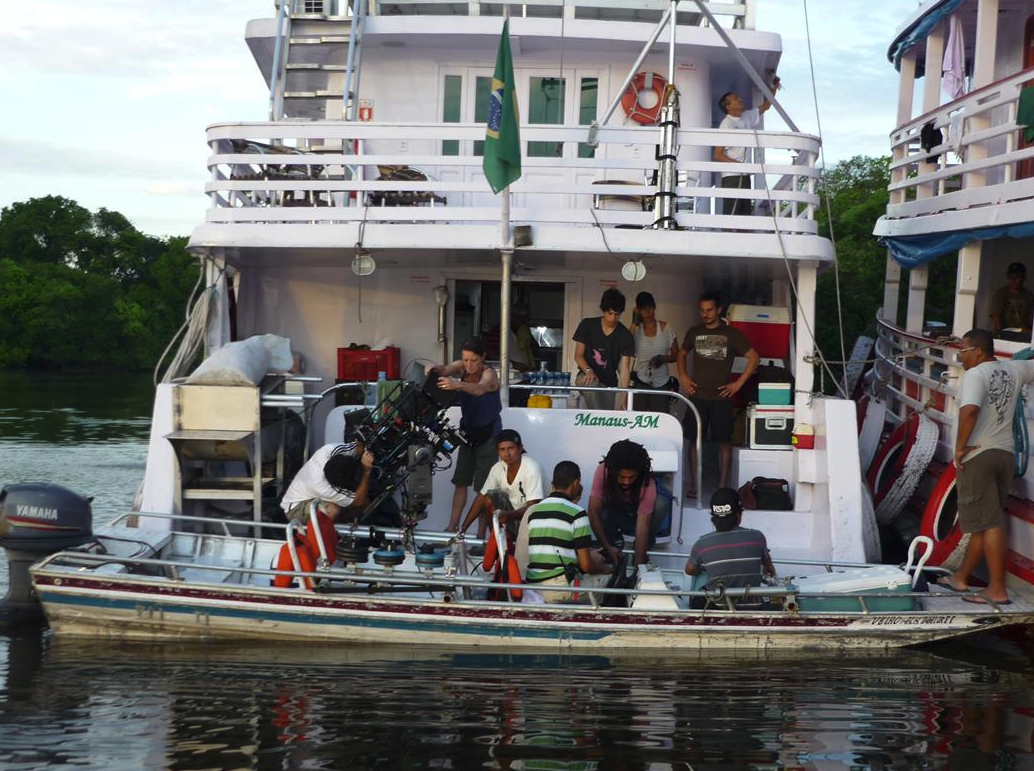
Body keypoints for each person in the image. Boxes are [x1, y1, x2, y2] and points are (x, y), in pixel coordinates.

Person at [941, 328, 1034, 605]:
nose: (960, 357)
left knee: (989, 522)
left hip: (979, 455)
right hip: (1004, 455)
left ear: (978, 351)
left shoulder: (975, 375)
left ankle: (996, 589)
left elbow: (970, 410)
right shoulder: (1014, 369)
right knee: (983, 521)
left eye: (964, 351)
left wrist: (959, 448)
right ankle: (961, 578)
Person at [677, 292, 760, 494]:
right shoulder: (693, 332)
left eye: (709, 310)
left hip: (722, 397)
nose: (705, 314)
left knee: (725, 442)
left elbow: (754, 358)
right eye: (702, 310)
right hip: (697, 396)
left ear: (719, 310)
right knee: (694, 441)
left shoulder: (732, 334)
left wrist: (738, 384)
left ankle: (722, 486)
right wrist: (684, 377)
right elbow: (681, 354)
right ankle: (695, 486)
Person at [426, 338, 502, 531]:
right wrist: (432, 368)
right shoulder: (461, 367)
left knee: (483, 489)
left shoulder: (489, 373)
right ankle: (452, 527)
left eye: (474, 360)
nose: (469, 364)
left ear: (483, 357)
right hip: (468, 433)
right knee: (461, 482)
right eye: (466, 360)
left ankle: (480, 535)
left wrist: (457, 385)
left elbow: (479, 389)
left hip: (489, 435)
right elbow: (443, 370)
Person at [522, 460, 612, 603]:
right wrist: (605, 569)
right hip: (560, 589)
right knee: (611, 579)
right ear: (576, 483)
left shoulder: (535, 511)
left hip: (533, 587)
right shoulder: (577, 513)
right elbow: (586, 566)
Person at [458, 429, 545, 547]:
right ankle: (496, 543)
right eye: (502, 449)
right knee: (490, 496)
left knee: (493, 499)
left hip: (534, 526)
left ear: (520, 448)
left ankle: (503, 545)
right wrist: (463, 528)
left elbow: (533, 509)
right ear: (497, 451)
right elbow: (482, 497)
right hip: (510, 519)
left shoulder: (532, 469)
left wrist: (508, 516)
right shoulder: (497, 468)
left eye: (511, 448)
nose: (507, 454)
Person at [684, 487, 775, 591]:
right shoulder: (757, 537)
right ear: (738, 516)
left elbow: (689, 570)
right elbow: (767, 562)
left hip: (717, 605)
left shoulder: (702, 544)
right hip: (751, 604)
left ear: (713, 519)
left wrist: (702, 568)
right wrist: (768, 565)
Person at [586, 440, 661, 567]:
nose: (626, 482)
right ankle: (613, 545)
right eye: (621, 477)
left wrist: (638, 565)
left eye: (631, 477)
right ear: (612, 470)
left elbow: (642, 529)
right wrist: (607, 547)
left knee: (660, 505)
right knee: (603, 514)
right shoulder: (603, 470)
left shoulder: (648, 483)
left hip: (636, 515)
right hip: (613, 511)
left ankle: (644, 549)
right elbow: (593, 512)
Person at [714, 79, 777, 217]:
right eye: (736, 99)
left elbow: (766, 106)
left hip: (745, 174)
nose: (740, 99)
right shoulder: (726, 124)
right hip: (731, 176)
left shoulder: (746, 117)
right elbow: (718, 154)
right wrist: (740, 166)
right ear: (729, 106)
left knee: (744, 214)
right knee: (731, 214)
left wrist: (773, 88)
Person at [280, 443, 375, 525]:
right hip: (295, 508)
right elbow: (358, 502)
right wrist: (366, 471)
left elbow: (357, 446)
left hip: (313, 495)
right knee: (333, 510)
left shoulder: (328, 450)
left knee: (364, 502)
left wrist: (365, 448)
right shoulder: (324, 488)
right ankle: (334, 533)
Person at [573, 287, 635, 410]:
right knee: (592, 385)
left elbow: (624, 369)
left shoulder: (625, 335)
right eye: (610, 313)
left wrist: (625, 396)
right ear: (603, 310)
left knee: (606, 418)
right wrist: (589, 371)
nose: (613, 318)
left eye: (617, 314)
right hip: (585, 375)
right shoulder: (587, 325)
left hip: (609, 384)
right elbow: (578, 355)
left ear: (621, 312)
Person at [629, 291, 679, 413]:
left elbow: (676, 355)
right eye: (643, 309)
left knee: (660, 418)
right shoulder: (636, 329)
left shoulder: (666, 328)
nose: (647, 312)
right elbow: (627, 348)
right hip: (641, 380)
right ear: (639, 310)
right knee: (637, 418)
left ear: (654, 307)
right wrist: (634, 320)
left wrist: (663, 359)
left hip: (661, 382)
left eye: (650, 308)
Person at [989, 262, 1034, 342]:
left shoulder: (1028, 295)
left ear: (1024, 278)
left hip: (1024, 333)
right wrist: (1000, 334)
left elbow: (1030, 317)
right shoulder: (1001, 293)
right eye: (1011, 277)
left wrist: (1029, 331)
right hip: (1006, 333)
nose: (1014, 280)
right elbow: (996, 316)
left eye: (1017, 277)